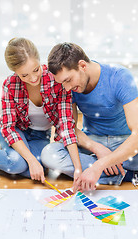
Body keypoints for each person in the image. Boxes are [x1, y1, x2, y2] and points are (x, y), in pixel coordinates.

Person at [0, 38, 82, 184]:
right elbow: (8, 128)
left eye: (36, 70)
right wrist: (31, 160)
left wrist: (77, 168)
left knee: (34, 170)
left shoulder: (56, 79)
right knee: (17, 164)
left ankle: (2, 154)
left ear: (40, 60)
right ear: (15, 72)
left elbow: (66, 124)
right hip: (16, 131)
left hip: (40, 136)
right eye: (24, 75)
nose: (33, 78)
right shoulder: (10, 85)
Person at [41, 42, 138, 191]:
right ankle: (125, 172)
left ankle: (103, 170)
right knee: (49, 154)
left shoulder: (120, 77)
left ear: (83, 66)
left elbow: (136, 135)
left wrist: (99, 165)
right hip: (92, 141)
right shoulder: (68, 88)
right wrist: (96, 148)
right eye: (62, 83)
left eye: (68, 80)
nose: (66, 88)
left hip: (124, 141)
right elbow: (69, 128)